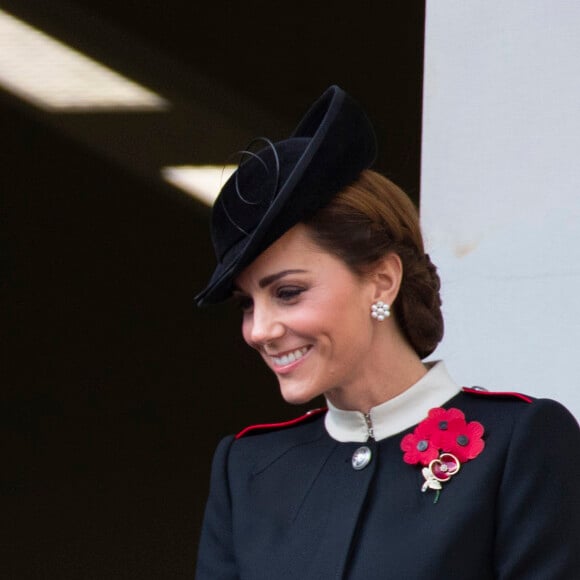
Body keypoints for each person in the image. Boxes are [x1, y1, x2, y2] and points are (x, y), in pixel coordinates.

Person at [194, 86, 580, 579]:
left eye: (288, 292)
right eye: (248, 303)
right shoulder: (247, 468)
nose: (259, 330)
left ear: (382, 279)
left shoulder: (518, 442)